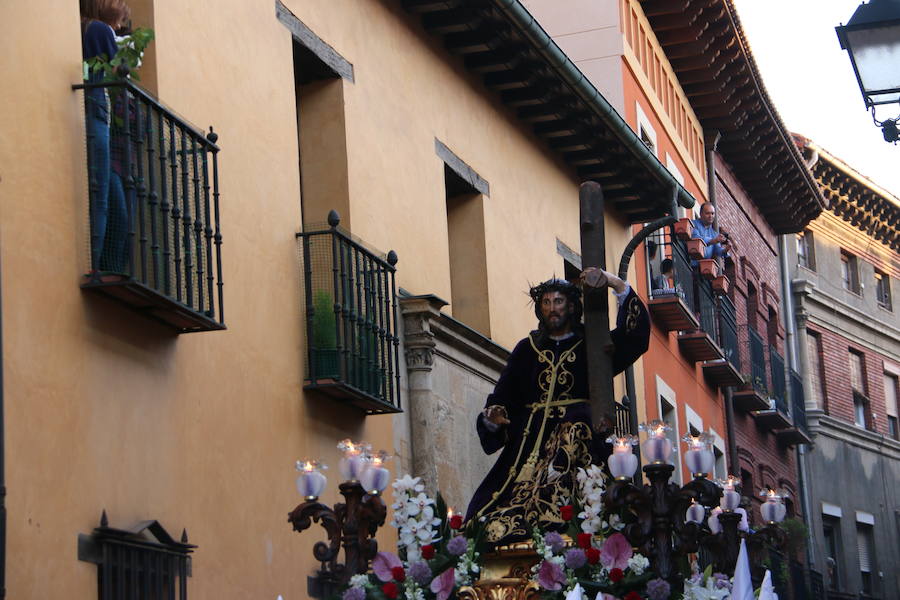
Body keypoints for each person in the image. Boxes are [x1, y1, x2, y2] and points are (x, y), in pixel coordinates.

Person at [464, 269, 650, 545]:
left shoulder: (592, 342)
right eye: (547, 303)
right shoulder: (526, 349)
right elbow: (504, 395)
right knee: (487, 514)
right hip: (530, 446)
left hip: (580, 438)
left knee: (595, 502)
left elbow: (633, 336)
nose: (552, 309)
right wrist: (493, 418)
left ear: (572, 306)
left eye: (559, 302)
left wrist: (617, 284)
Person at [81, 0, 130, 274]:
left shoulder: (85, 29)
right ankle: (96, 266)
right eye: (120, 20)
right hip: (96, 111)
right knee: (101, 196)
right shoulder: (99, 29)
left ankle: (105, 265)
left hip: (96, 113)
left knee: (111, 196)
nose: (121, 26)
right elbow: (118, 72)